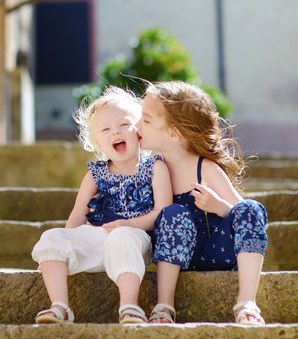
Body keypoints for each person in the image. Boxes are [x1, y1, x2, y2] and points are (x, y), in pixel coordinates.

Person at [31, 85, 172, 324]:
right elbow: (78, 216)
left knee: (122, 236)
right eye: (105, 129)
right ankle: (60, 307)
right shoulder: (95, 175)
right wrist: (62, 249)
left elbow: (163, 212)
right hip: (97, 238)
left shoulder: (155, 167)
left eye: (124, 124)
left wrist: (128, 224)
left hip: (135, 240)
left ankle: (129, 306)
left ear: (139, 131)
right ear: (97, 143)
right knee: (51, 238)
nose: (115, 132)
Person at [137, 81, 268, 325]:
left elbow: (245, 218)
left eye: (145, 120)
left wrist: (220, 207)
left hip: (215, 254)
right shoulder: (151, 170)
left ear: (173, 133)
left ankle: (247, 303)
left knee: (251, 208)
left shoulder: (205, 169)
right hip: (171, 258)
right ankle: (164, 306)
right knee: (173, 212)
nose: (137, 126)